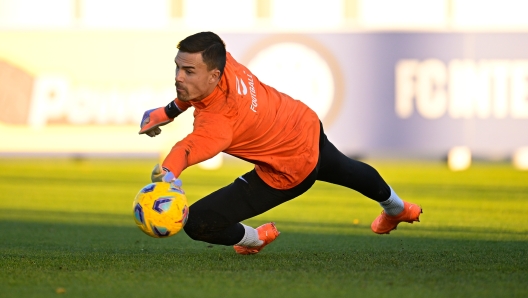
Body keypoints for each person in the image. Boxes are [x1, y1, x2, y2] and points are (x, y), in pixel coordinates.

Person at [139, 32, 422, 255]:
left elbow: (184, 151)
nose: (178, 76)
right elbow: (195, 91)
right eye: (177, 67)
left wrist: (168, 177)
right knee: (345, 169)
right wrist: (167, 112)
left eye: (188, 71)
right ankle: (399, 209)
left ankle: (255, 239)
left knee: (199, 222)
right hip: (302, 122)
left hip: (289, 170)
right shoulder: (223, 58)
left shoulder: (218, 124)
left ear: (214, 75)